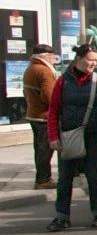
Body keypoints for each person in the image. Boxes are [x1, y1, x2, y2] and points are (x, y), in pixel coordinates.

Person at [45, 44, 97, 231]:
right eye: (89, 59)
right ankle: (62, 216)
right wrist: (53, 136)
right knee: (65, 178)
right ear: (78, 60)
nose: (93, 63)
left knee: (94, 177)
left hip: (93, 136)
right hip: (68, 136)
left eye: (95, 60)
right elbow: (54, 111)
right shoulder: (63, 81)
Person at [23, 44, 58, 190]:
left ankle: (42, 177)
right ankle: (43, 179)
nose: (54, 59)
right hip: (43, 116)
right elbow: (50, 96)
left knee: (39, 148)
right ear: (45, 57)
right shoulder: (44, 70)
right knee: (45, 149)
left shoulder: (30, 69)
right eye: (52, 56)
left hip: (33, 114)